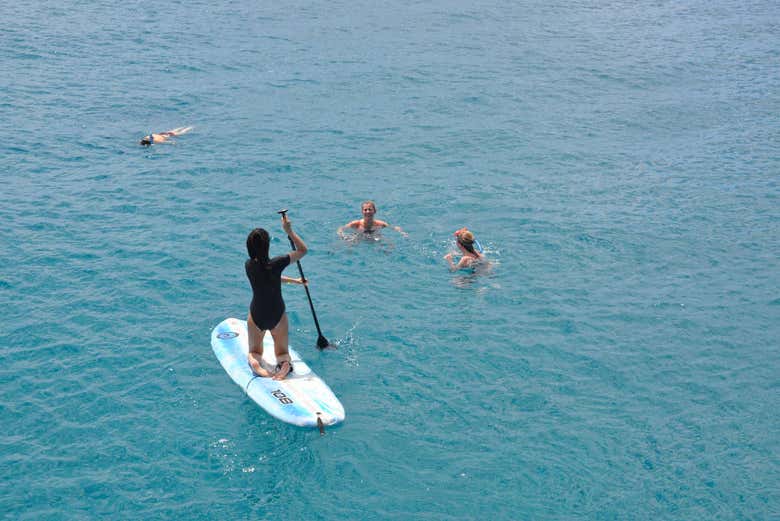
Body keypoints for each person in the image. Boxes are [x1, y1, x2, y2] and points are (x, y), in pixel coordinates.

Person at [245, 214, 307, 380]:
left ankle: (256, 364)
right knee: (282, 352)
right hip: (277, 314)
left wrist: (294, 281)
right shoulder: (277, 263)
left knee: (254, 351)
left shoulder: (249, 265)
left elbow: (266, 280)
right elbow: (302, 250)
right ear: (267, 245)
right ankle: (284, 364)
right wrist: (289, 230)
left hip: (257, 314)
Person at [337, 200, 408, 238]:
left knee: (389, 245)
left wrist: (403, 233)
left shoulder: (380, 224)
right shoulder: (356, 223)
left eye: (370, 209)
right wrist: (342, 235)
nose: (367, 211)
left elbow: (394, 227)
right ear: (362, 212)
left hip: (374, 237)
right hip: (360, 237)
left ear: (374, 211)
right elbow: (341, 228)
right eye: (365, 210)